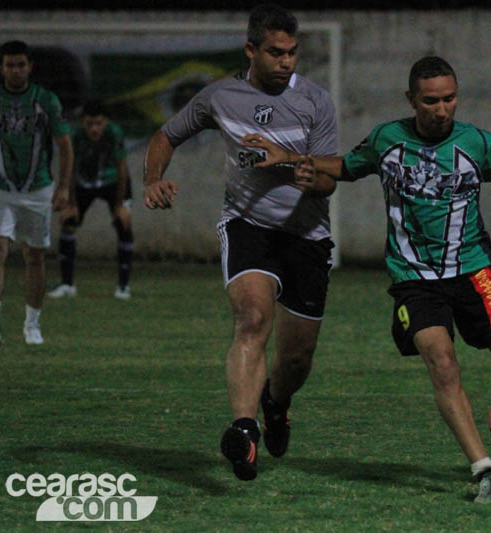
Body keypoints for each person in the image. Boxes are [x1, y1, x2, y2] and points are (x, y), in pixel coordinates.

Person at [245, 56, 491, 503]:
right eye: (430, 101)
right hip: (414, 280)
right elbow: (346, 167)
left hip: (475, 273)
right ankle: (485, 470)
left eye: (449, 99)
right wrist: (291, 158)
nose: (441, 110)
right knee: (442, 363)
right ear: (411, 99)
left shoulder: (478, 144)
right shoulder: (387, 139)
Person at [142, 4, 338, 481]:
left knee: (297, 358)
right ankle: (245, 431)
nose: (286, 61)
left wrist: (287, 161)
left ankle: (276, 403)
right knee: (252, 318)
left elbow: (327, 181)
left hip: (306, 235)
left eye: (292, 52)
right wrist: (152, 178)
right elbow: (166, 136)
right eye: (275, 52)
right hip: (248, 225)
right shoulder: (219, 96)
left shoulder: (316, 101)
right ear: (251, 49)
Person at [0, 40, 73, 346]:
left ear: (30, 67)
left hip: (38, 188)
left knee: (35, 255)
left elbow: (65, 146)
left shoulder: (46, 100)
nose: (16, 70)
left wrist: (63, 186)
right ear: (1, 68)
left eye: (21, 65)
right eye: (10, 65)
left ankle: (32, 325)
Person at [47, 99, 134, 300]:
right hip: (84, 182)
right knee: (68, 223)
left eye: (99, 123)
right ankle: (67, 284)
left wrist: (120, 205)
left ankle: (123, 286)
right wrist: (71, 203)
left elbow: (122, 168)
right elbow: (70, 168)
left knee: (124, 225)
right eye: (89, 124)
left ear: (105, 122)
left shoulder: (114, 133)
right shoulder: (75, 136)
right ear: (82, 122)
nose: (94, 129)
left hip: (112, 182)